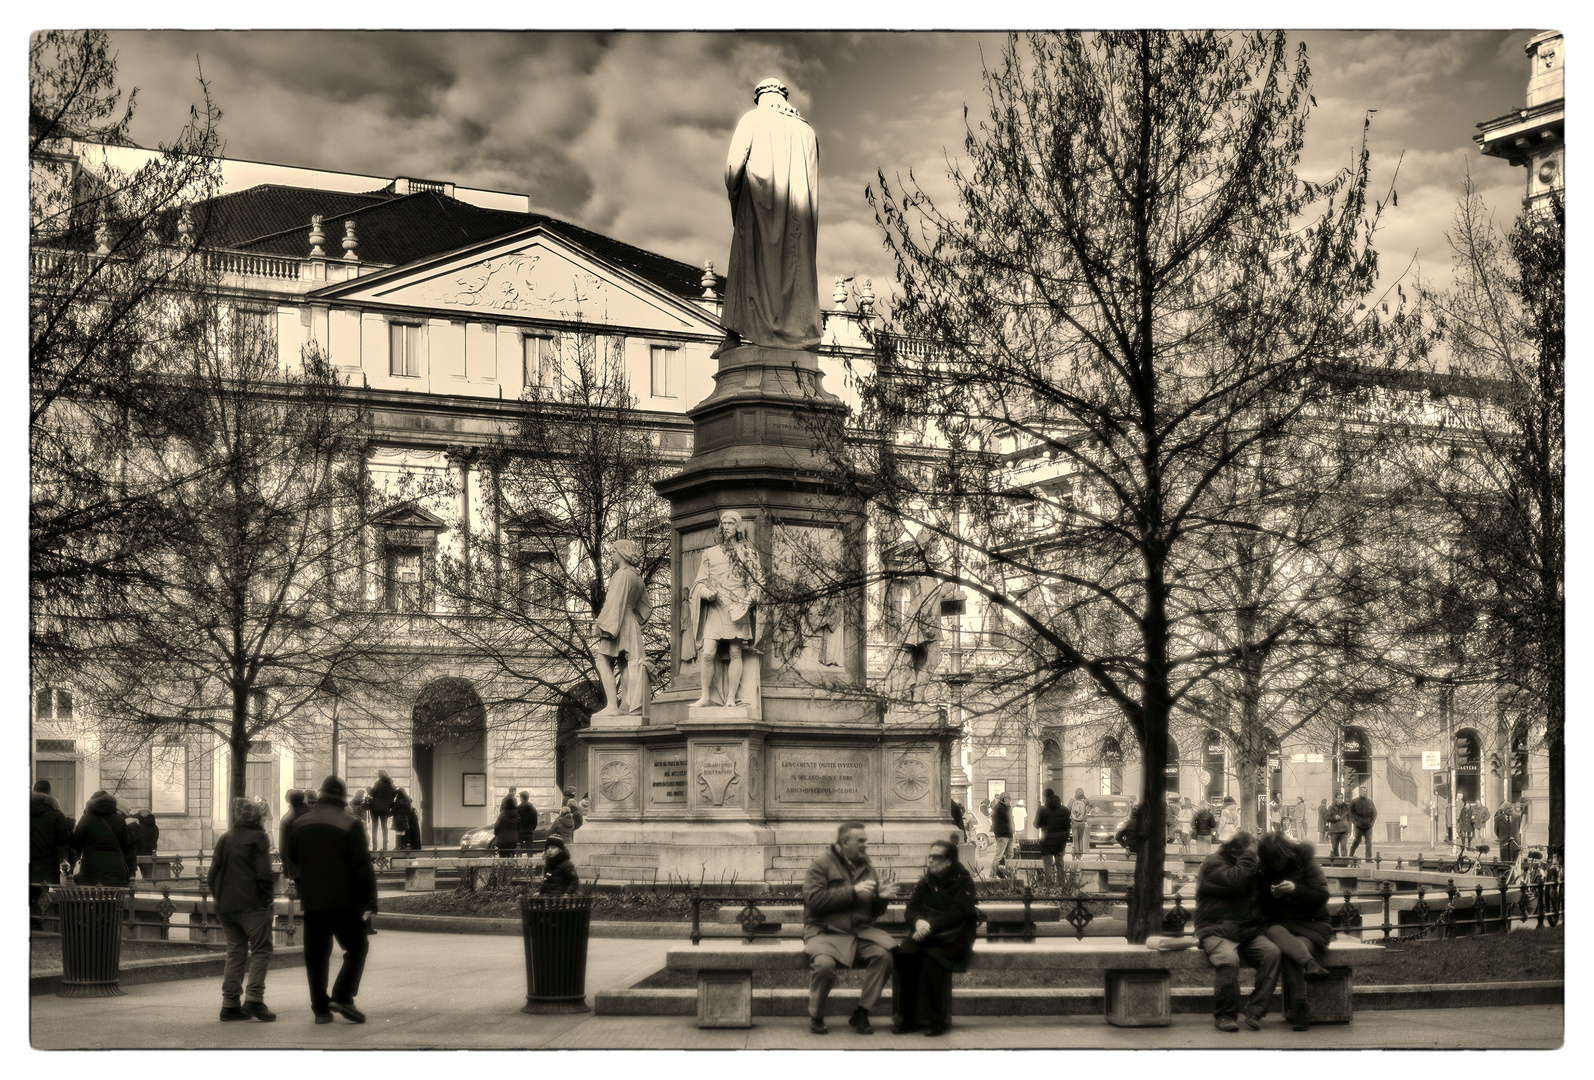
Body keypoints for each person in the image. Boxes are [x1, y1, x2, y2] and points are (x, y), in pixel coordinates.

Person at [721, 77, 822, 353]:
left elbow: (732, 170)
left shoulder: (752, 121)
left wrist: (738, 198)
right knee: (795, 271)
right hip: (798, 222)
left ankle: (734, 335)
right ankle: (801, 332)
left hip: (756, 211)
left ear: (760, 97)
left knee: (749, 266)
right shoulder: (807, 131)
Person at [287, 775, 377, 1025]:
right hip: (345, 902)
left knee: (316, 955)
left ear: (321, 795)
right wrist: (370, 900)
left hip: (313, 901)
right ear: (343, 798)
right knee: (357, 947)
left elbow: (292, 856)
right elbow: (362, 867)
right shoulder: (351, 823)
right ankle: (342, 995)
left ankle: (320, 1009)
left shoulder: (300, 823)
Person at [801, 821, 898, 1035]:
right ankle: (816, 1015)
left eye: (865, 840)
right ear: (845, 843)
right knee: (824, 966)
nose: (865, 844)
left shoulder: (867, 867)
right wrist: (852, 892)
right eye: (861, 841)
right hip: (824, 932)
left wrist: (880, 899)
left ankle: (862, 1013)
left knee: (884, 957)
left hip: (858, 933)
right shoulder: (821, 864)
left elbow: (872, 913)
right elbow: (814, 900)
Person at [1194, 831, 1281, 1032]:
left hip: (1246, 929)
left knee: (1272, 954)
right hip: (1216, 928)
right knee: (1228, 960)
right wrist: (1249, 858)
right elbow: (1233, 882)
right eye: (1253, 851)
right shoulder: (1214, 863)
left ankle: (1255, 1011)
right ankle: (1225, 1015)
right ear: (1239, 850)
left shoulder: (1248, 866)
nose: (1257, 855)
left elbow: (1257, 894)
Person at [891, 839, 977, 1037]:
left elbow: (959, 913)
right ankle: (906, 1017)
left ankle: (937, 1019)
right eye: (929, 856)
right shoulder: (927, 881)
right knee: (904, 955)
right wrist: (919, 922)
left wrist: (930, 926)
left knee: (933, 960)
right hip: (927, 934)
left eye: (936, 857)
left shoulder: (963, 881)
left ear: (949, 861)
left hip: (953, 937)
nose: (930, 861)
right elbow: (912, 908)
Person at [208, 797, 278, 1022]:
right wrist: (266, 899)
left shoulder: (226, 837)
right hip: (252, 905)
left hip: (226, 906)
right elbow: (264, 874)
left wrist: (219, 896)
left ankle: (230, 1004)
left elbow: (212, 874)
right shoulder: (258, 837)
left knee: (235, 953)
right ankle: (254, 1000)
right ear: (257, 818)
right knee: (261, 950)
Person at [1257, 831, 1334, 1032]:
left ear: (1287, 853)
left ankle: (1301, 1007)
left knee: (1291, 952)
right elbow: (1263, 909)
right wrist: (1272, 896)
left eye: (1278, 859)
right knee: (1275, 931)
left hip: (1313, 924)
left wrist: (1295, 890)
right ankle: (1311, 965)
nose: (1276, 864)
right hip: (1283, 926)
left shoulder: (1306, 863)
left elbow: (1321, 897)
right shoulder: (1265, 872)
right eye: (1271, 861)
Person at [687, 510, 762, 708]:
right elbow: (699, 583)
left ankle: (730, 698)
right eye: (724, 523)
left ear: (738, 527)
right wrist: (707, 593)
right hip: (716, 607)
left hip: (737, 608)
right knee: (708, 652)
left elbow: (756, 583)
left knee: (736, 652)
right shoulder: (710, 553)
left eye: (730, 523)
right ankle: (705, 696)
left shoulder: (748, 553)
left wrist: (749, 599)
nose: (726, 526)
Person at [592, 539, 653, 716]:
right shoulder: (637, 578)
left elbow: (613, 602)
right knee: (625, 663)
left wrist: (603, 625)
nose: (612, 555)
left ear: (622, 553)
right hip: (630, 622)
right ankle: (626, 704)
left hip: (617, 621)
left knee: (602, 661)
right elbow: (647, 608)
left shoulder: (622, 575)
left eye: (613, 551)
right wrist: (636, 623)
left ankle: (612, 705)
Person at [30, 782, 74, 927]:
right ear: (49, 793)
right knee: (41, 893)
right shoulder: (56, 815)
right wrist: (63, 862)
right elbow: (62, 843)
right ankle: (38, 921)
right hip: (46, 864)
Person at [71, 790, 136, 887]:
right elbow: (125, 844)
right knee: (114, 900)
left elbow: (76, 843)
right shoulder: (119, 820)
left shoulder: (86, 819)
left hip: (91, 869)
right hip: (115, 870)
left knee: (91, 899)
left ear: (91, 803)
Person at [1033, 789, 1071, 886]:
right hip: (1060, 842)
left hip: (1046, 841)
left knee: (1048, 866)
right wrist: (1064, 838)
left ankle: (1049, 886)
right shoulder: (1064, 809)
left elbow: (1036, 825)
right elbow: (1068, 826)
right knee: (1060, 865)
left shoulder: (1042, 809)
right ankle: (1061, 885)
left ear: (1045, 797)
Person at [278, 790, 310, 883]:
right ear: (303, 798)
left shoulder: (285, 819)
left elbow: (282, 848)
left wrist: (286, 867)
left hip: (293, 867)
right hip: (312, 864)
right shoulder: (311, 815)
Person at [367, 770, 396, 852]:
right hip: (385, 809)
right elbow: (393, 796)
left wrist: (368, 789)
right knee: (384, 827)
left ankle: (374, 847)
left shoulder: (378, 783)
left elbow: (372, 793)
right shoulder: (392, 785)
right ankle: (385, 847)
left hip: (375, 808)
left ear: (379, 775)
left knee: (374, 827)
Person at [1347, 787, 1378, 860]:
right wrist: (1355, 823)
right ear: (1359, 792)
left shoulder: (1370, 802)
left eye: (1366, 791)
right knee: (1357, 841)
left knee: (1369, 842)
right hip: (1358, 826)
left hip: (1368, 826)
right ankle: (1351, 854)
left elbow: (1374, 813)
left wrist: (1372, 823)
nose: (1365, 793)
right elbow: (1350, 813)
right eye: (1363, 791)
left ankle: (1368, 858)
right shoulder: (1354, 802)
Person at [988, 792, 1014, 874]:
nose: (1010, 801)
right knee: (999, 855)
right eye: (1009, 799)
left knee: (1010, 854)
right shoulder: (999, 808)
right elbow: (1008, 817)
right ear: (1005, 799)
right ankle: (993, 873)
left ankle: (1008, 872)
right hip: (1003, 834)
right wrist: (1009, 807)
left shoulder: (1003, 807)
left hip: (1009, 834)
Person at [132, 807, 159, 878]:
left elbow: (136, 838)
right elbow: (156, 838)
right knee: (148, 875)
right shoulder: (155, 826)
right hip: (151, 852)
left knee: (132, 875)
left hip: (139, 852)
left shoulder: (139, 826)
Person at [1326, 792, 1352, 858]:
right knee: (1334, 848)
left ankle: (1344, 863)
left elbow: (1349, 819)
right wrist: (1334, 818)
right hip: (1334, 831)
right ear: (1336, 799)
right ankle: (1337, 863)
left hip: (1344, 831)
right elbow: (1327, 818)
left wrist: (1349, 830)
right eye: (1339, 798)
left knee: (1344, 847)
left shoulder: (1346, 807)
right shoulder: (1331, 808)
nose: (1341, 800)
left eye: (1341, 798)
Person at [1069, 788, 1090, 859]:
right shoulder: (1085, 802)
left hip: (1074, 822)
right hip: (1082, 823)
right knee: (1080, 838)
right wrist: (1083, 797)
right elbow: (1088, 800)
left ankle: (1077, 855)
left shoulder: (1071, 802)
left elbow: (1067, 810)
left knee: (1075, 839)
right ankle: (1081, 855)